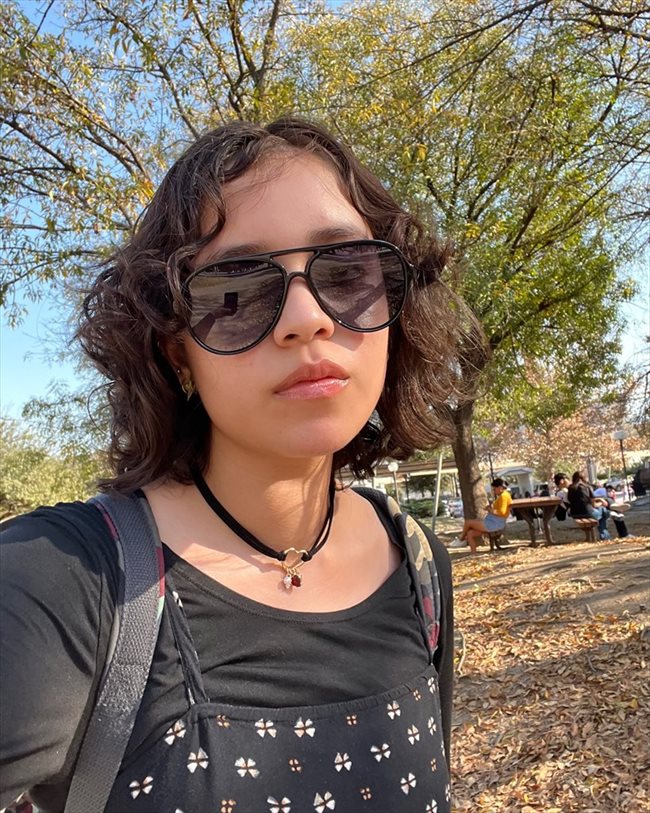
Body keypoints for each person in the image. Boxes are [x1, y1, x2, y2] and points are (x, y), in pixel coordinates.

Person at [0, 118, 483, 813]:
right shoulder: (60, 584)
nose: (306, 318)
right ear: (175, 347)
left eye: (347, 271)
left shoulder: (417, 564)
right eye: (236, 290)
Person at [452, 478, 512, 553]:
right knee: (470, 534)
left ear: (500, 487)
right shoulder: (503, 496)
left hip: (495, 523)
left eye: (494, 489)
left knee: (468, 522)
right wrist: (490, 508)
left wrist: (490, 510)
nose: (494, 491)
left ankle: (461, 539)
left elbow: (502, 512)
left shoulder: (504, 496)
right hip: (492, 521)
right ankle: (474, 554)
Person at [566, 470, 610, 540]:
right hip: (587, 513)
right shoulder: (587, 487)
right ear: (584, 478)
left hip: (574, 514)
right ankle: (604, 536)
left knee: (601, 511)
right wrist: (601, 503)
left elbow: (572, 500)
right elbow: (594, 505)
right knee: (604, 511)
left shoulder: (570, 488)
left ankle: (601, 536)